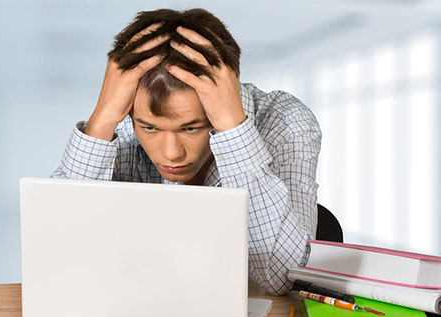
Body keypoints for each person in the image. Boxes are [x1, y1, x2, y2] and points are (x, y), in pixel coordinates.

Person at [52, 8, 321, 295]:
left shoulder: (284, 121)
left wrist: (232, 127)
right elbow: (57, 254)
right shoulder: (123, 124)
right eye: (150, 128)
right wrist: (102, 118)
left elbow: (282, 277)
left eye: (192, 128)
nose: (171, 154)